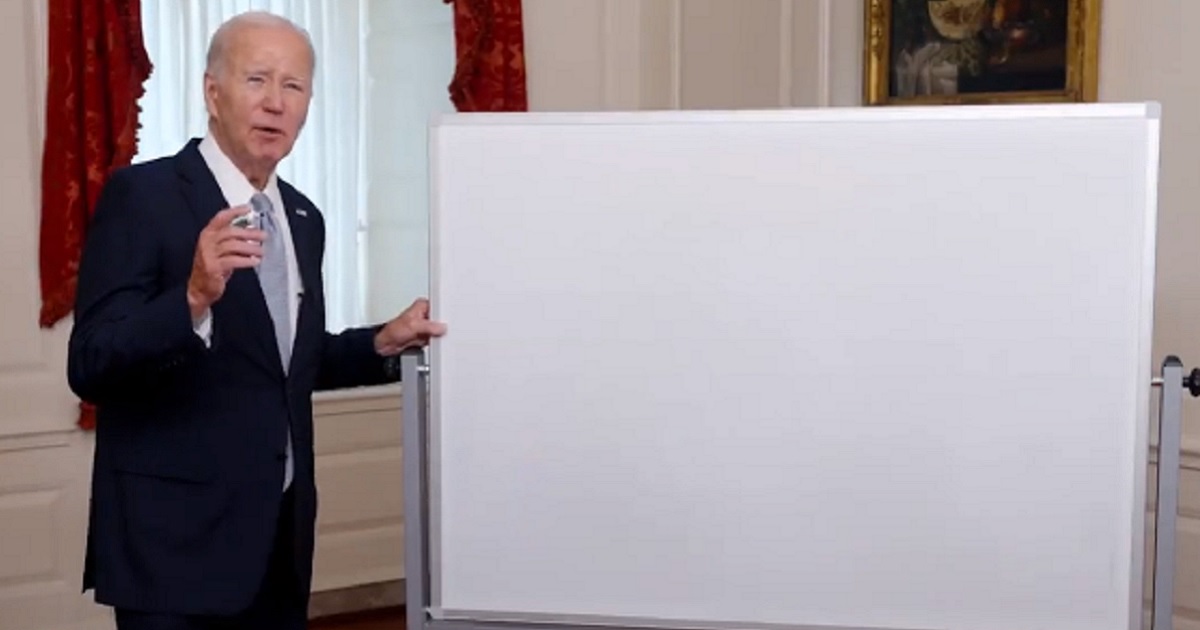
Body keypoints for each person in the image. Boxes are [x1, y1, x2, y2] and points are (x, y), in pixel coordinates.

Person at [66, 10, 446, 630]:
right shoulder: (144, 196)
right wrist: (191, 299)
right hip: (173, 549)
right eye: (257, 80)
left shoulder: (303, 217)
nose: (275, 103)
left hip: (279, 540)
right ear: (212, 93)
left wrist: (383, 340)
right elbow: (91, 363)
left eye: (293, 87)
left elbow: (286, 365)